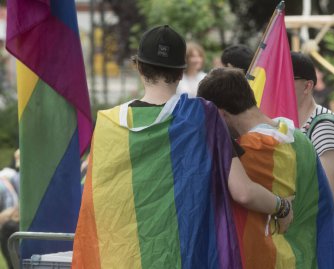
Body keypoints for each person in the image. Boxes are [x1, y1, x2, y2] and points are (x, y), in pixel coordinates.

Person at [72, 25, 293, 269]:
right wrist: (282, 206)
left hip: (121, 258)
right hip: (186, 257)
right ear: (181, 72)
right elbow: (243, 191)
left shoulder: (107, 123)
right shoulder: (202, 117)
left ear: (138, 67)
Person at [197, 67, 334, 269]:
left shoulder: (252, 149)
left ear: (220, 114)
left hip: (270, 259)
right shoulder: (298, 137)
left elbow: (235, 196)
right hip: (307, 255)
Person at [291, 51, 334, 269]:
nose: (278, 83)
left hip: (324, 234)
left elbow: (329, 199)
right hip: (305, 230)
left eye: (286, 79)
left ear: (308, 86)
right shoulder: (294, 124)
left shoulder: (323, 127)